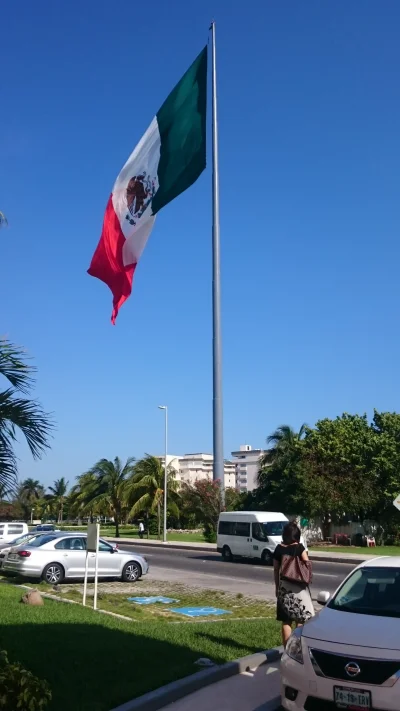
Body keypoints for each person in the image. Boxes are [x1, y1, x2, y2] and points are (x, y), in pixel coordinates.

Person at [273, 521, 315, 647]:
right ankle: (298, 649)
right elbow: (307, 565)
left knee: (286, 621)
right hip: (299, 588)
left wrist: (277, 587)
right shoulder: (300, 548)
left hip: (284, 588)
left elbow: (276, 569)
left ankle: (287, 649)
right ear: (297, 535)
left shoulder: (278, 549)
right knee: (300, 620)